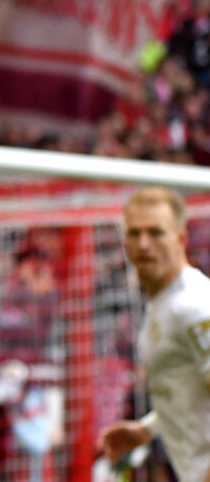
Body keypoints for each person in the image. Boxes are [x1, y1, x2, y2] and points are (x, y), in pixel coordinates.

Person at [97, 187, 210, 482]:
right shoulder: (162, 304)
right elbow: (189, 389)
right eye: (135, 233)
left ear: (181, 239)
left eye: (156, 233)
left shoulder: (195, 306)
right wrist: (146, 430)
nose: (144, 244)